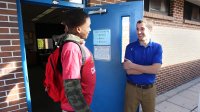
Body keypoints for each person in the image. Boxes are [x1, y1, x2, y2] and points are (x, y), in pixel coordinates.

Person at [60, 9, 96, 112]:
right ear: (79, 29)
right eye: (88, 26)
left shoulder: (78, 45)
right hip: (75, 109)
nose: (90, 29)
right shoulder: (72, 48)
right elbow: (72, 89)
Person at [123, 19, 163, 112]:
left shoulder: (157, 47)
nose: (139, 32)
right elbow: (128, 70)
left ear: (150, 30)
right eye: (137, 29)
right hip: (132, 89)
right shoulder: (130, 47)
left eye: (142, 29)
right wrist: (149, 68)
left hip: (149, 89)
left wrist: (132, 65)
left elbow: (155, 70)